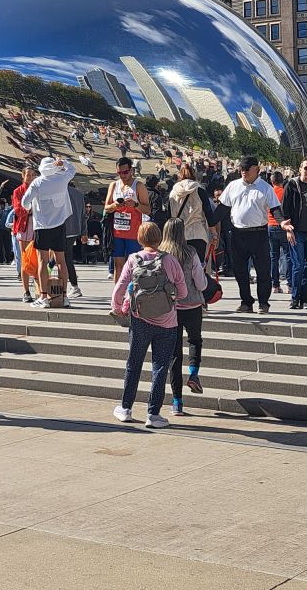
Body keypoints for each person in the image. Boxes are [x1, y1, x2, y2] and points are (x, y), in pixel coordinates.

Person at [110, 222, 187, 428]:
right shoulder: (170, 260)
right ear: (159, 238)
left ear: (139, 239)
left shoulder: (134, 259)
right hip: (168, 322)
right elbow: (184, 292)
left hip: (140, 319)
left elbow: (120, 287)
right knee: (160, 367)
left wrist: (117, 307)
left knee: (133, 364)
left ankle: (125, 408)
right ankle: (153, 414)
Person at [211, 156, 289, 314]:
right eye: (241, 169)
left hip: (259, 234)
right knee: (240, 271)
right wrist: (208, 221)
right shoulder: (233, 186)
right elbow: (222, 209)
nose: (243, 172)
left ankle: (263, 302)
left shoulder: (265, 187)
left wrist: (281, 222)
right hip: (238, 234)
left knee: (263, 271)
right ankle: (246, 301)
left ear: (257, 170)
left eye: (247, 169)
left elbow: (275, 209)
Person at [162, 217, 207, 416]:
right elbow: (201, 283)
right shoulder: (191, 252)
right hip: (192, 304)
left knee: (174, 354)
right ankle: (193, 374)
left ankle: (177, 402)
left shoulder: (161, 255)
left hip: (171, 307)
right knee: (195, 340)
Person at [21, 156, 76, 309]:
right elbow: (72, 169)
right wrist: (63, 162)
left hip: (42, 226)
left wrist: (31, 206)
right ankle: (64, 296)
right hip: (59, 224)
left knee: (42, 262)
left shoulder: (38, 182)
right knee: (61, 261)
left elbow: (24, 202)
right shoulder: (62, 179)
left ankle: (44, 297)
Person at [281, 157, 307, 310]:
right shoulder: (292, 185)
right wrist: (288, 228)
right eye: (306, 168)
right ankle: (295, 297)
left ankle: (304, 298)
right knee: (297, 265)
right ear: (300, 169)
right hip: (296, 231)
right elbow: (284, 208)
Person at [104, 157, 151, 282]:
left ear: (131, 171)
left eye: (125, 172)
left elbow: (147, 210)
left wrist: (135, 205)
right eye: (119, 173)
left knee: (133, 266)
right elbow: (106, 208)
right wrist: (115, 205)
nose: (122, 176)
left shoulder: (139, 186)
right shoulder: (114, 185)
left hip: (133, 233)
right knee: (117, 265)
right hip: (117, 232)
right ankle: (117, 297)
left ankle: (132, 295)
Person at [168, 165, 214, 263]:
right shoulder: (199, 191)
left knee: (179, 268)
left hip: (178, 234)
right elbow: (208, 213)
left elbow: (169, 215)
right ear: (194, 174)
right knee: (197, 267)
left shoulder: (173, 193)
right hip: (197, 233)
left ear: (180, 175)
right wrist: (214, 233)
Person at [12, 166, 36, 302]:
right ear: (23, 176)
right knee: (25, 259)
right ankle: (26, 291)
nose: (30, 177)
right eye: (28, 175)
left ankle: (40, 289)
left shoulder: (38, 188)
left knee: (39, 258)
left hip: (37, 226)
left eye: (33, 175)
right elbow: (18, 209)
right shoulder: (18, 191)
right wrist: (30, 210)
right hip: (24, 226)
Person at [64, 181, 87, 300]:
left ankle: (73, 286)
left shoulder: (59, 191)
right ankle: (73, 285)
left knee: (64, 258)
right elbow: (84, 215)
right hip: (74, 229)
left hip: (61, 228)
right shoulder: (78, 194)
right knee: (64, 257)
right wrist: (84, 232)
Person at [267, 171, 288, 294]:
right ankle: (290, 284)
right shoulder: (284, 192)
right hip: (284, 225)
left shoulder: (269, 192)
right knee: (288, 255)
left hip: (270, 225)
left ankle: (275, 285)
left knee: (273, 256)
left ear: (272, 181)